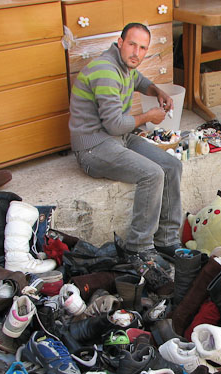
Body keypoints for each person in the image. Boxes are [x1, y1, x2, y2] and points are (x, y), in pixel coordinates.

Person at [69, 23, 182, 269]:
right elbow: (114, 125)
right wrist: (149, 117)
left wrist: (157, 90)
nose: (136, 53)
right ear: (119, 43)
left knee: (172, 166)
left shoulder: (125, 65)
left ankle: (166, 239)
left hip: (118, 138)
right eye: (132, 45)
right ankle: (138, 248)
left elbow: (140, 80)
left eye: (143, 48)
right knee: (152, 174)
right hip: (94, 146)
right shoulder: (106, 71)